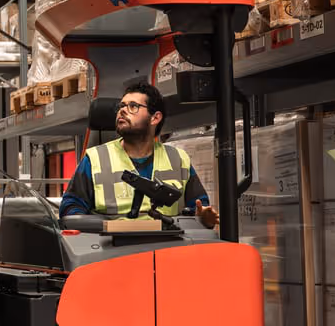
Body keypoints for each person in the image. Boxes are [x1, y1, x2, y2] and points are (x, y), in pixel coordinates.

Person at [58, 81, 218, 228]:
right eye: (121, 106)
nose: (122, 110)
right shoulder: (95, 159)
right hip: (112, 249)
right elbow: (71, 209)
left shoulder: (178, 159)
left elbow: (198, 206)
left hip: (167, 247)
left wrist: (202, 216)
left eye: (133, 106)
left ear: (155, 118)